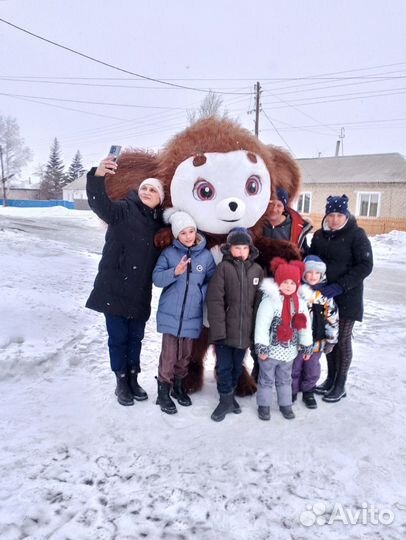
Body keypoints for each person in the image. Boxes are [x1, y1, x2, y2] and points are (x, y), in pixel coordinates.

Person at [86, 155, 164, 406]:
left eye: (153, 190)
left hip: (139, 291)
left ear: (160, 198)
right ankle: (121, 381)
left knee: (136, 338)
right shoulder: (122, 210)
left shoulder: (159, 225)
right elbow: (100, 204)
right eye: (145, 188)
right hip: (115, 287)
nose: (148, 192)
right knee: (117, 337)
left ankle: (133, 378)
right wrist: (97, 177)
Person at [309, 195, 373, 403]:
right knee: (329, 338)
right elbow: (312, 259)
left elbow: (365, 266)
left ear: (346, 215)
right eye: (331, 215)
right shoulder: (319, 235)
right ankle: (329, 379)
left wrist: (341, 285)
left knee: (343, 339)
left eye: (339, 215)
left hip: (348, 297)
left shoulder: (356, 235)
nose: (334, 219)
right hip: (326, 297)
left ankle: (340, 384)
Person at [152, 210, 216, 415]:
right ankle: (163, 391)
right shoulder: (169, 254)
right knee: (169, 355)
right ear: (176, 235)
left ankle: (178, 387)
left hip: (192, 315)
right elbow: (157, 279)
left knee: (185, 355)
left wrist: (199, 292)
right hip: (171, 313)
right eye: (183, 233)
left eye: (191, 231)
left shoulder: (205, 256)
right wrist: (175, 272)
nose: (188, 236)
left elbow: (212, 281)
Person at [207, 228, 264, 422]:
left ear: (250, 249)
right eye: (236, 248)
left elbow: (259, 304)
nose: (241, 252)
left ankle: (230, 398)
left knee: (237, 368)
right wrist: (218, 331)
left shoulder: (257, 270)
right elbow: (215, 301)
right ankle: (225, 400)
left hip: (244, 333)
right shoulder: (223, 269)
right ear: (229, 249)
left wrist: (256, 331)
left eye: (244, 248)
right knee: (224, 368)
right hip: (225, 333)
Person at [254, 257, 313, 421]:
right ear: (278, 282)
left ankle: (285, 404)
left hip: (289, 352)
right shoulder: (270, 301)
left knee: (285, 379)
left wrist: (307, 346)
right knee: (266, 379)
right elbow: (262, 326)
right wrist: (262, 347)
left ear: (297, 285)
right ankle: (263, 406)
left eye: (292, 283)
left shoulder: (300, 303)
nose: (288, 286)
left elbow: (305, 327)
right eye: (285, 282)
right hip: (270, 352)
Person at [291, 255, 339, 409]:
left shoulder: (325, 296)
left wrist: (331, 339)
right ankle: (291, 390)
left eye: (316, 273)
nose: (313, 276)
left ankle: (308, 391)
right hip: (296, 341)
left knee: (312, 367)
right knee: (294, 366)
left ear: (322, 275)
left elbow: (332, 318)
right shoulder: (296, 292)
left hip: (317, 341)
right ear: (303, 274)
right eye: (309, 272)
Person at [261, 187, 312, 255]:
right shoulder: (258, 224)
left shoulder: (295, 228)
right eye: (271, 204)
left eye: (279, 205)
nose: (274, 209)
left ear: (284, 209)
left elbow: (302, 253)